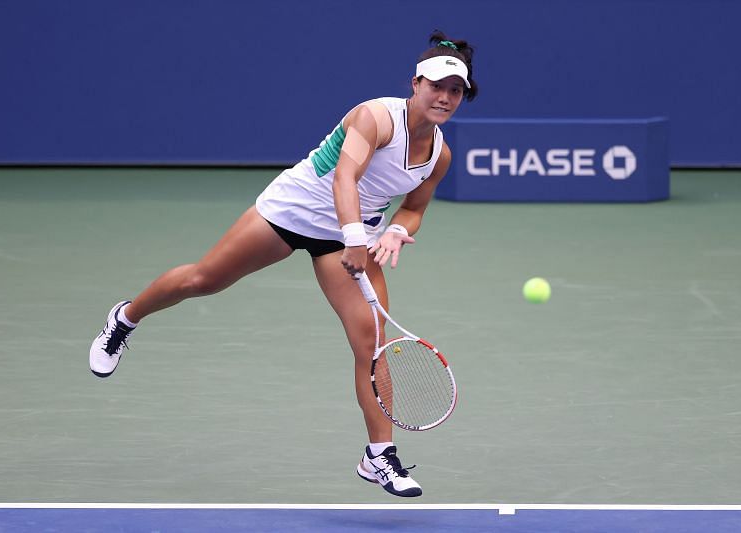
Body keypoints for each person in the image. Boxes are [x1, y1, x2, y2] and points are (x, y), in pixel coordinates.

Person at [89, 30, 478, 498]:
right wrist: (356, 237)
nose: (445, 97)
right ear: (415, 83)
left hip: (346, 238)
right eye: (437, 86)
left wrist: (397, 230)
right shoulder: (376, 116)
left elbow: (415, 207)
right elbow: (345, 177)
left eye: (455, 91)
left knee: (372, 343)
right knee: (203, 280)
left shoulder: (440, 155)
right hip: (291, 212)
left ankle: (379, 456)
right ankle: (125, 318)